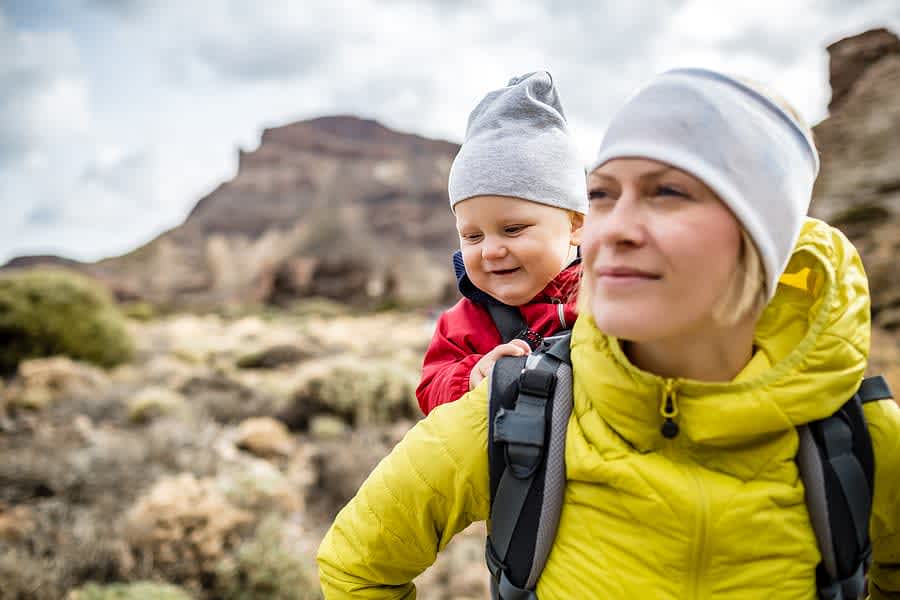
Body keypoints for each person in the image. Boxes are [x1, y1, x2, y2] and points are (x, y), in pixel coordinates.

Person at [317, 68, 900, 598]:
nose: (614, 227)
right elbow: (356, 570)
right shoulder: (515, 410)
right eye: (603, 195)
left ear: (765, 235)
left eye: (667, 192)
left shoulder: (865, 440)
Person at [415, 71, 587, 415]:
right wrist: (471, 377)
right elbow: (430, 390)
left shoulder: (606, 295)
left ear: (575, 224)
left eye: (513, 229)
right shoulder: (462, 323)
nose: (490, 251)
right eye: (473, 236)